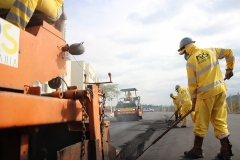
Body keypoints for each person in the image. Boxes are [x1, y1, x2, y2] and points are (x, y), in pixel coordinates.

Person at [178, 37, 234, 159]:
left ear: (186, 50)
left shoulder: (191, 62)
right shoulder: (211, 50)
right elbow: (229, 52)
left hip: (205, 95)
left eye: (184, 53)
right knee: (219, 121)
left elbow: (192, 86)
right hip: (220, 91)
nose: (185, 55)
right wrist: (229, 68)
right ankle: (226, 150)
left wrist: (193, 102)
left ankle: (197, 150)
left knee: (200, 123)